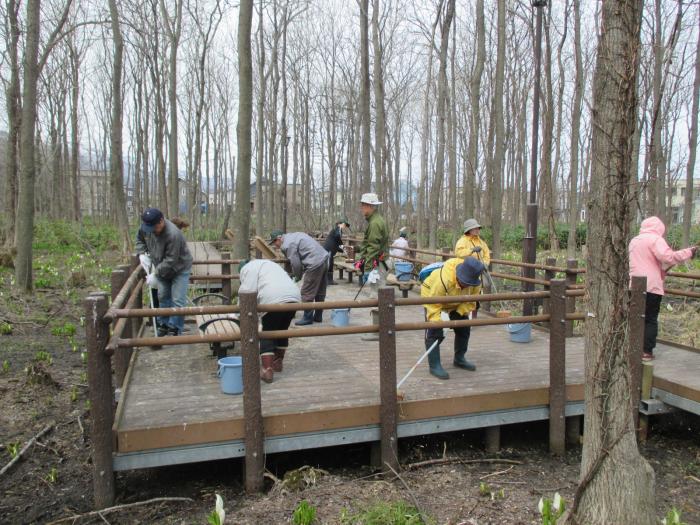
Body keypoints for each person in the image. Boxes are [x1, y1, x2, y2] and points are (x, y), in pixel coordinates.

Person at [629, 216, 697, 361]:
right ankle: (646, 351)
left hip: (634, 285)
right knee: (650, 319)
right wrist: (689, 252)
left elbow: (645, 262)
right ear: (660, 228)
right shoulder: (655, 239)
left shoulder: (634, 241)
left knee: (635, 318)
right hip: (651, 286)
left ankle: (633, 348)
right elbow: (668, 257)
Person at [421, 257, 485, 379]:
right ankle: (434, 365)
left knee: (464, 327)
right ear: (459, 274)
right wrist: (437, 322)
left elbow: (472, 300)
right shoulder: (444, 278)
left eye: (469, 283)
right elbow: (433, 303)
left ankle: (459, 359)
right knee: (435, 330)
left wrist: (460, 312)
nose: (466, 284)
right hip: (432, 297)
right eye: (464, 281)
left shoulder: (475, 282)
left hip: (457, 301)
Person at [239, 259, 301, 383]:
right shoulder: (270, 265)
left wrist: (238, 313)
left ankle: (267, 369)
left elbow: (246, 292)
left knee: (268, 331)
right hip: (294, 296)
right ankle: (278, 363)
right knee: (282, 329)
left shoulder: (248, 269)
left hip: (273, 298)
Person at [136, 207, 193, 336]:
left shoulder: (173, 234)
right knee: (163, 296)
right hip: (160, 264)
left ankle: (175, 328)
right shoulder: (146, 227)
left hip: (179, 267)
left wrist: (155, 273)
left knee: (178, 299)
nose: (152, 232)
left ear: (161, 221)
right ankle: (164, 324)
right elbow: (140, 239)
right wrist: (142, 253)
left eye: (154, 228)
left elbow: (171, 260)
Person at [269, 230, 329, 326]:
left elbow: (296, 264)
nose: (275, 245)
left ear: (279, 239)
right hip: (324, 258)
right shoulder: (294, 235)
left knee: (306, 291)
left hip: (314, 262)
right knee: (320, 290)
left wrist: (297, 276)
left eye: (274, 242)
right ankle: (318, 315)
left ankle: (307, 318)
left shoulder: (287, 245)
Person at [455, 218, 491, 318]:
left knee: (477, 294)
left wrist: (485, 264)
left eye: (477, 228)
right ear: (469, 230)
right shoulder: (462, 241)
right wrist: (471, 250)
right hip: (466, 272)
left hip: (477, 272)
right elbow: (459, 253)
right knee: (466, 293)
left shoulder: (481, 242)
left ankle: (473, 318)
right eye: (474, 228)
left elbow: (486, 253)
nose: (477, 230)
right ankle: (463, 315)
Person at [355, 192, 389, 289]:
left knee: (377, 293)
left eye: (363, 205)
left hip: (379, 264)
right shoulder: (376, 220)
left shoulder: (375, 223)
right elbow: (370, 243)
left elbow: (373, 246)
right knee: (377, 292)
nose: (361, 208)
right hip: (378, 262)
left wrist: (368, 268)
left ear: (369, 206)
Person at [323, 219, 349, 285]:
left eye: (345, 225)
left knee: (330, 264)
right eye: (344, 224)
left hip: (331, 249)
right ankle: (327, 281)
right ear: (339, 224)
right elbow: (338, 237)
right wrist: (339, 227)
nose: (345, 226)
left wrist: (343, 250)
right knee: (329, 264)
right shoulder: (336, 230)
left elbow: (338, 243)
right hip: (328, 249)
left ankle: (330, 280)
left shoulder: (338, 231)